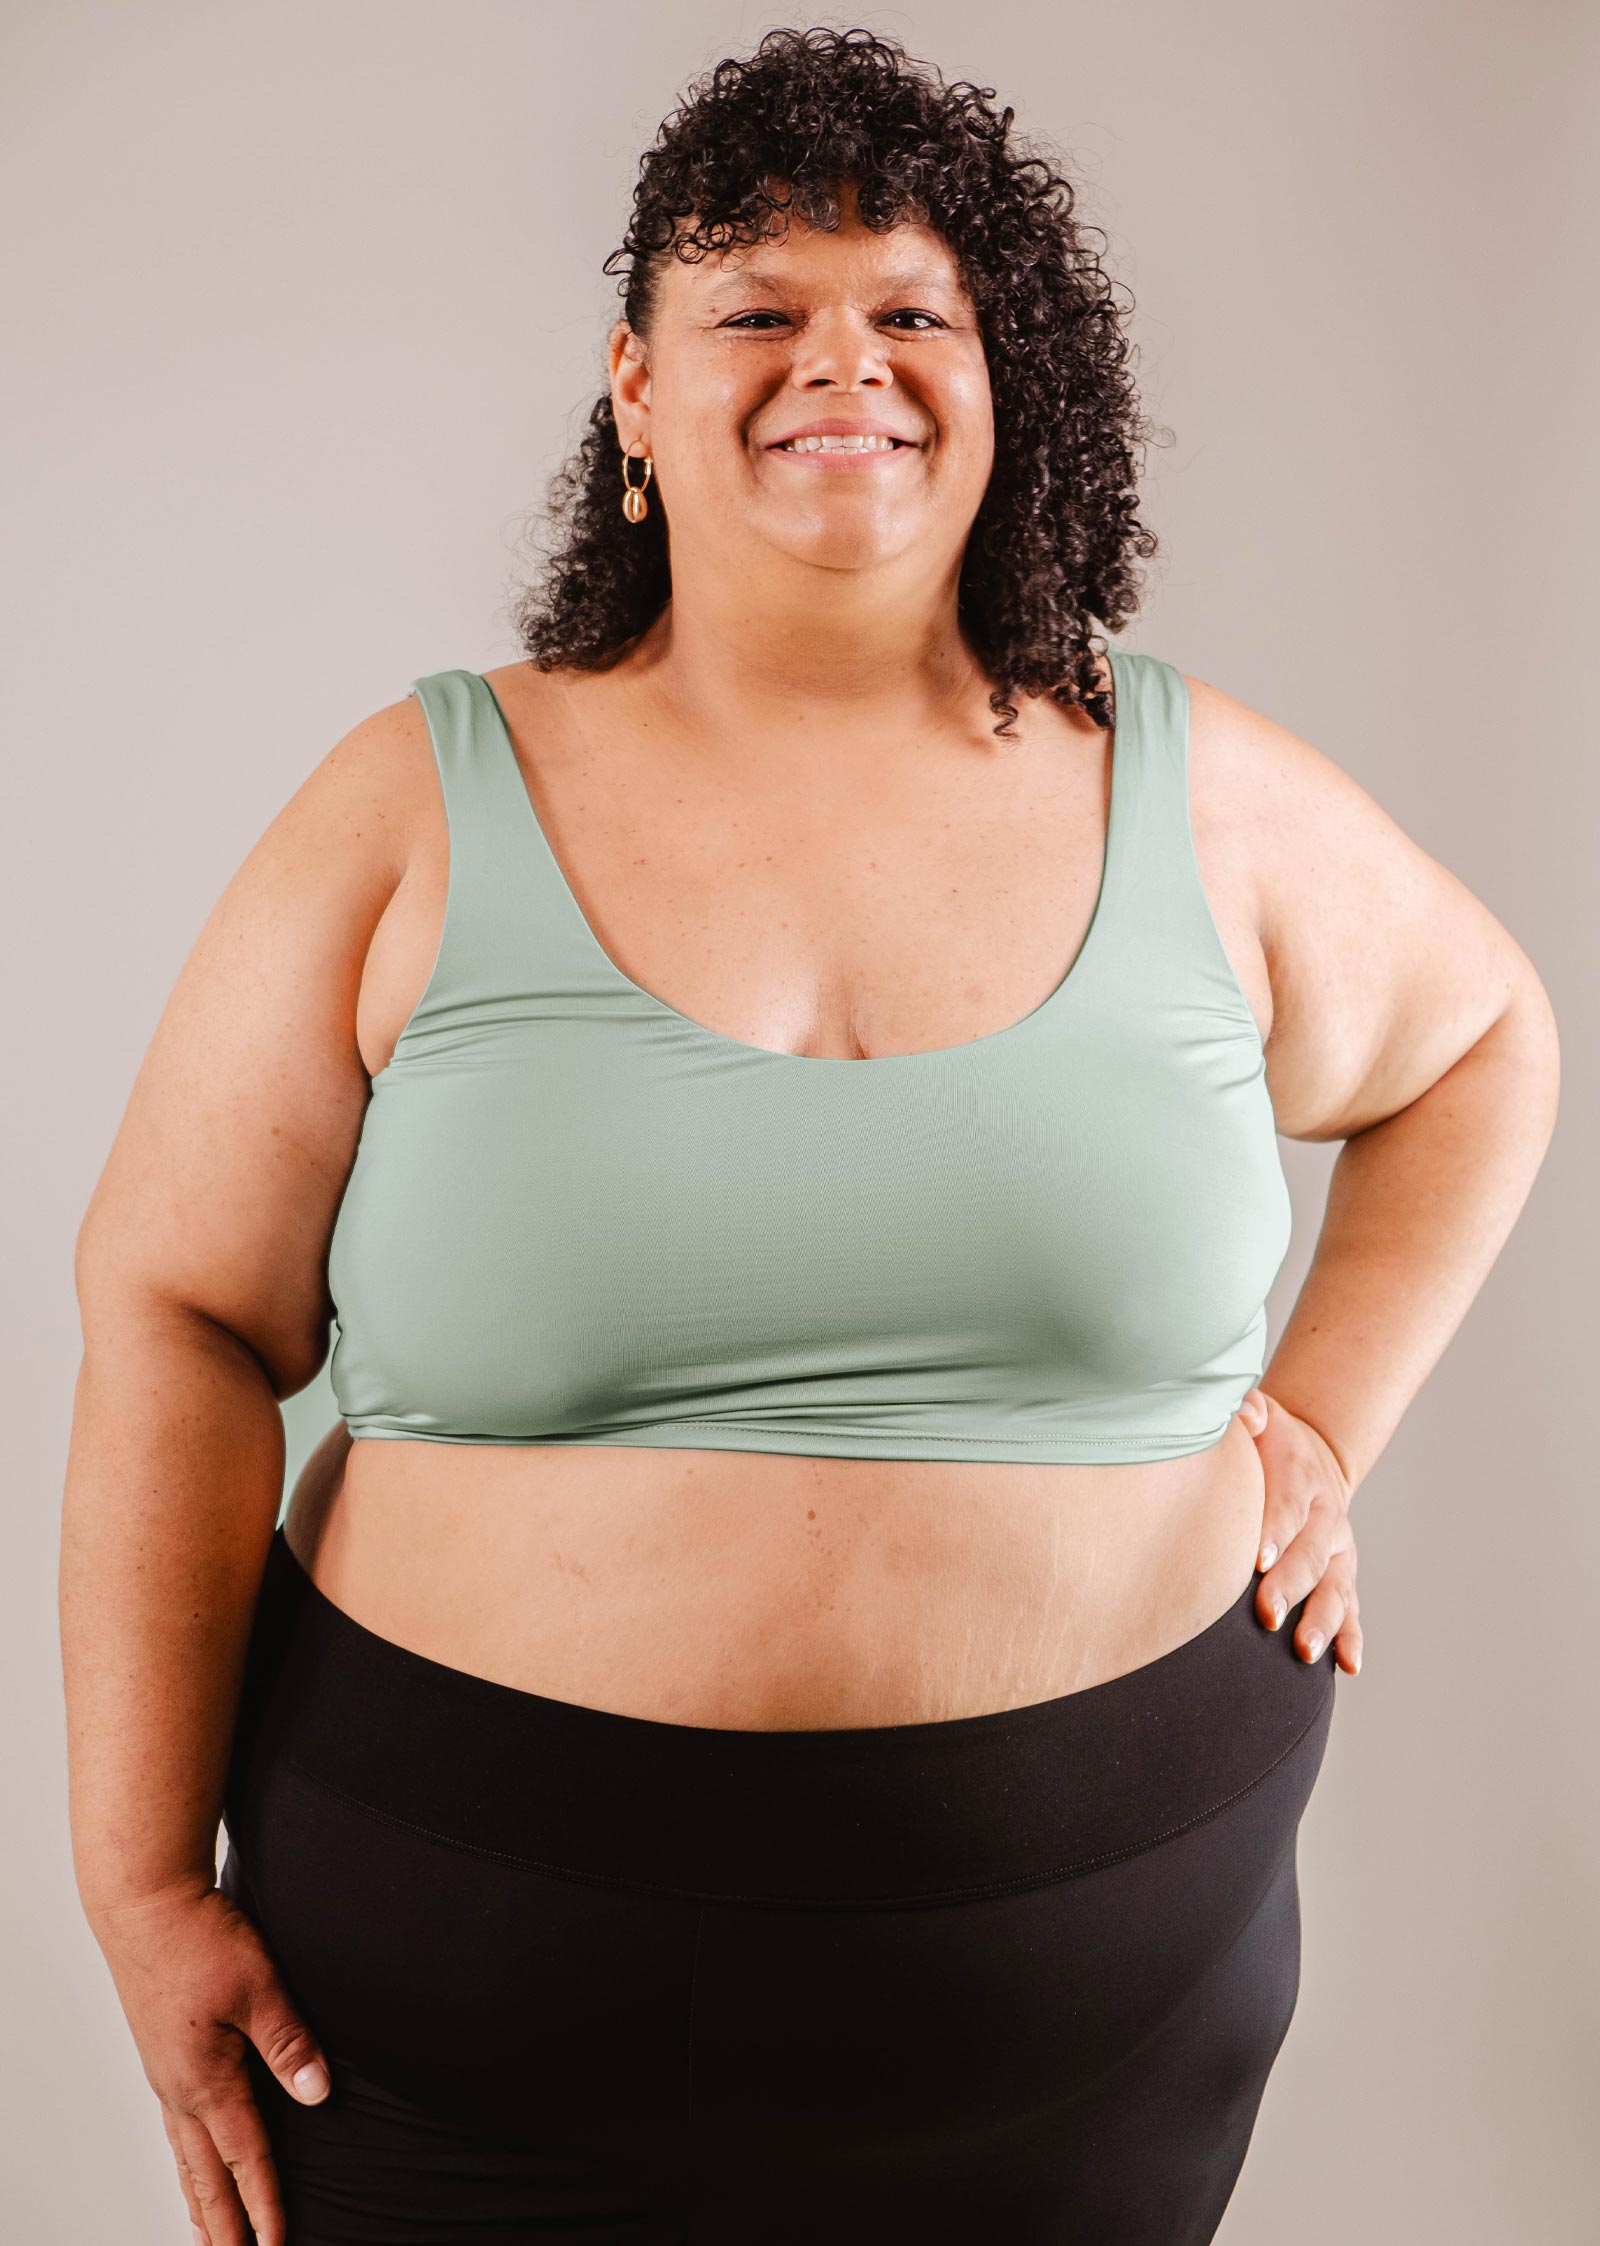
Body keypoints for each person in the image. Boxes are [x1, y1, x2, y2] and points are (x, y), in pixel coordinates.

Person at [60, 26, 1559, 2246]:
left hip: (1076, 2061)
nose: (832, 359)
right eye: (752, 307)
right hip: (449, 2038)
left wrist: (1320, 1416)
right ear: (634, 393)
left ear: (1002, 379)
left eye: (909, 312)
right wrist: (132, 1879)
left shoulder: (1203, 794)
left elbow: (1482, 1043)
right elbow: (172, 1308)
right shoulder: (418, 804)